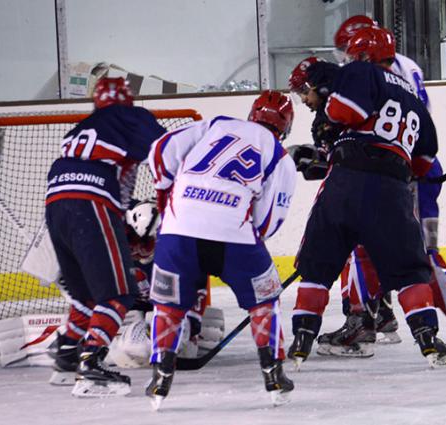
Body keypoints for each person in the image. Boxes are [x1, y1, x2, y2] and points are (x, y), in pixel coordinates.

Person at [315, 17, 446, 360]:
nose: (346, 59)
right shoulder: (400, 68)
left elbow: (364, 120)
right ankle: (364, 321)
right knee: (364, 246)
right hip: (403, 169)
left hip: (403, 174)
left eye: (349, 51)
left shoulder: (373, 74)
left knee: (420, 257)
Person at [286, 27, 446, 371]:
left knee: (318, 264)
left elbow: (345, 112)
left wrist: (331, 126)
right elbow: (423, 161)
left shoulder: (359, 72)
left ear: (363, 56)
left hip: (347, 181)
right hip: (393, 189)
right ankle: (427, 341)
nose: (346, 63)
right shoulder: (415, 100)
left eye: (350, 56)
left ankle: (302, 339)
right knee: (410, 271)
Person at [145, 90, 297, 409]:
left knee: (169, 305)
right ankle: (273, 374)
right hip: (233, 235)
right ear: (285, 126)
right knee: (265, 300)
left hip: (177, 232)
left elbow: (160, 150)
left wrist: (168, 194)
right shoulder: (279, 154)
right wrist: (245, 230)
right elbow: (270, 219)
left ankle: (161, 376)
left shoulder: (216, 124)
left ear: (252, 113)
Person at [44, 77, 167, 397]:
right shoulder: (131, 116)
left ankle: (67, 355)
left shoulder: (80, 127)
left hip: (55, 200)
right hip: (92, 201)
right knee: (117, 295)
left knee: (85, 295)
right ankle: (91, 366)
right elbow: (169, 152)